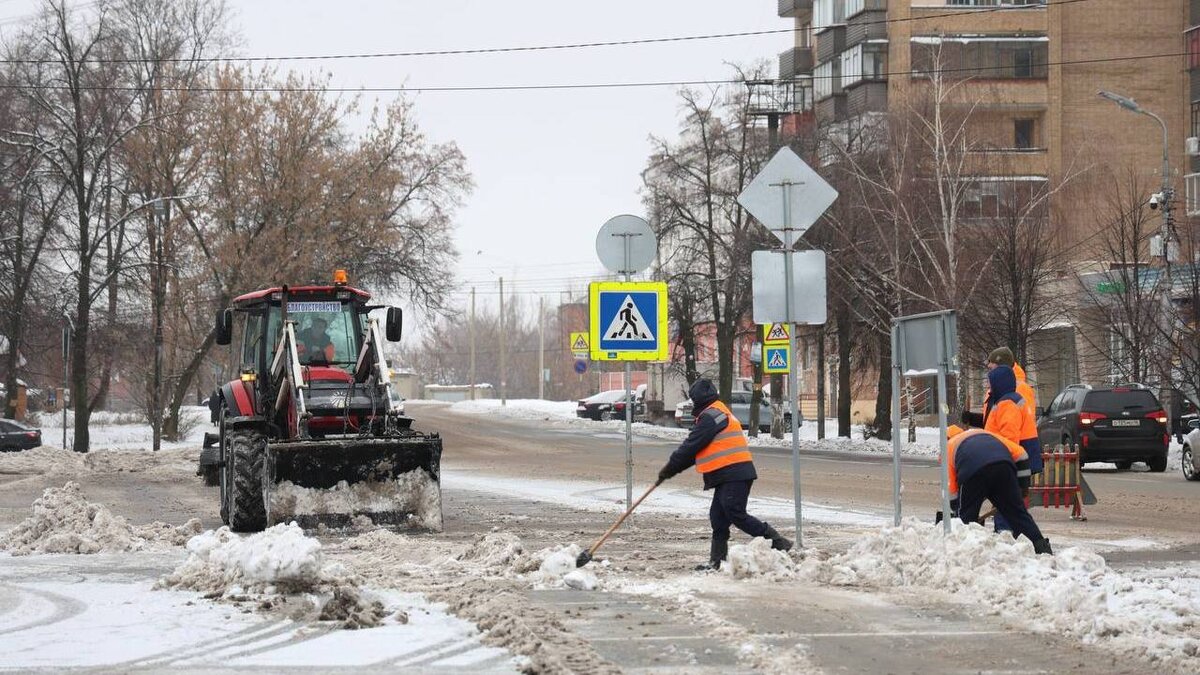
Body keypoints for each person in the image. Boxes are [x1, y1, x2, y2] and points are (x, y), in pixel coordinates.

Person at [657, 378, 792, 571]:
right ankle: (717, 562)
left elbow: (690, 446)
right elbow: (694, 451)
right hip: (729, 473)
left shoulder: (711, 416)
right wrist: (670, 471)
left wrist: (669, 469)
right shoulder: (716, 411)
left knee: (735, 513)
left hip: (734, 472)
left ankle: (778, 542)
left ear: (697, 399)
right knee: (718, 518)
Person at [946, 425, 1052, 555]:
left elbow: (951, 490)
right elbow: (1022, 454)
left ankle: (963, 553)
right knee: (1017, 513)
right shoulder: (984, 433)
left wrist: (956, 510)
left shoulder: (949, 446)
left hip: (973, 472)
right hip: (1003, 467)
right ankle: (1041, 548)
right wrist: (1022, 487)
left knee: (966, 516)